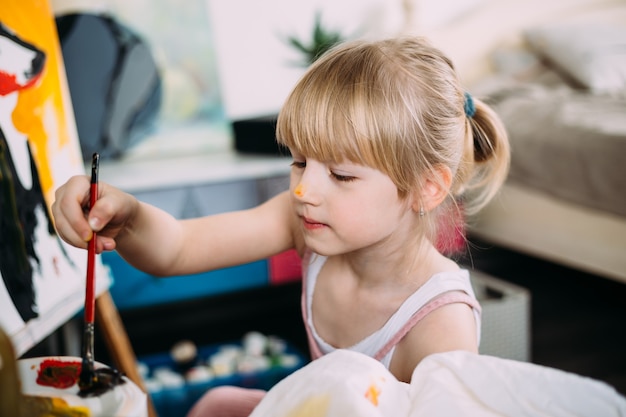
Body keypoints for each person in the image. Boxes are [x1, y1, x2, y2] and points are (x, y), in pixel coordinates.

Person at [52, 36, 509, 416]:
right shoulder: (303, 222)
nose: (304, 189)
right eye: (299, 161)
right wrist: (129, 216)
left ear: (426, 189)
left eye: (341, 175)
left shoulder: (440, 323)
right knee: (216, 404)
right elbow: (179, 248)